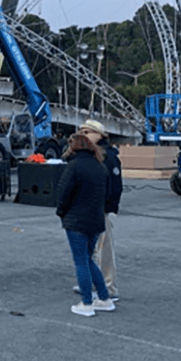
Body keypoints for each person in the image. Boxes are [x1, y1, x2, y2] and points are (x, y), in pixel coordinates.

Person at [55, 132, 115, 317]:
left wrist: (61, 212)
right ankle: (104, 298)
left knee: (81, 261)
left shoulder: (73, 167)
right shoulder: (100, 166)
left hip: (76, 220)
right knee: (88, 259)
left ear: (74, 147)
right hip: (95, 220)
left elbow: (63, 193)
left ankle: (87, 302)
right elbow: (108, 193)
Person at [77, 119, 122, 302]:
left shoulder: (109, 157)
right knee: (89, 249)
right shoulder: (88, 156)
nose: (83, 135)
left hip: (100, 209)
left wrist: (108, 207)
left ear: (99, 135)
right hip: (87, 209)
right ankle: (93, 281)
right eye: (82, 131)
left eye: (87, 132)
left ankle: (109, 288)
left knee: (104, 250)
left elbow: (115, 186)